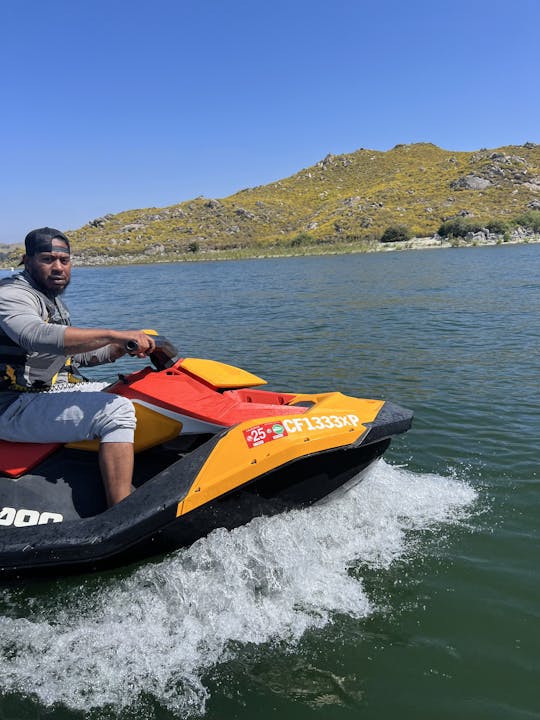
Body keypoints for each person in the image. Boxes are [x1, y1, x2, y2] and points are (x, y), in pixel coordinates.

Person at [0, 227, 156, 506]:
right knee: (117, 411)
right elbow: (34, 335)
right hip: (11, 405)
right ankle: (121, 512)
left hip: (41, 394)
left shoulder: (52, 300)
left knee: (136, 392)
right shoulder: (12, 295)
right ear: (27, 260)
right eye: (48, 259)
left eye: (64, 260)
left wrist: (117, 349)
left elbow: (69, 357)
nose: (58, 267)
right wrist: (113, 334)